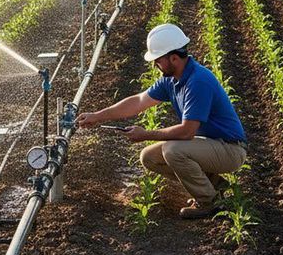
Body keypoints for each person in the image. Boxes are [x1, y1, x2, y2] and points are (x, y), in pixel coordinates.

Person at [76, 24, 247, 219]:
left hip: (230, 149)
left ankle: (209, 202)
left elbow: (186, 132)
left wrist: (145, 134)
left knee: (173, 150)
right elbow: (138, 101)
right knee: (149, 157)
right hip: (210, 145)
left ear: (173, 58)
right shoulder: (172, 79)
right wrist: (97, 116)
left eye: (157, 60)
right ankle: (217, 187)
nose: (155, 65)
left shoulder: (198, 81)